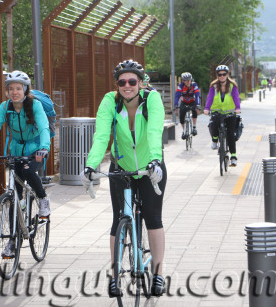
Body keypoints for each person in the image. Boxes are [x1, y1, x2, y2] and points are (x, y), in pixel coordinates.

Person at [80, 60, 167, 297]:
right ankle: (115, 273)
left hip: (151, 168)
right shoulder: (110, 101)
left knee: (152, 219)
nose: (127, 86)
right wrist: (90, 165)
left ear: (140, 82)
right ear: (116, 84)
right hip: (122, 167)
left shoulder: (152, 100)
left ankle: (158, 273)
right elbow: (101, 136)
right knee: (119, 218)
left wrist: (156, 160)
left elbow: (154, 131)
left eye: (132, 81)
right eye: (122, 82)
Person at [0, 70, 51, 258]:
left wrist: (44, 147)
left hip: (36, 151)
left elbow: (44, 127)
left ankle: (42, 199)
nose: (14, 92)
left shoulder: (35, 106)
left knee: (27, 171)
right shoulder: (5, 107)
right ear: (7, 91)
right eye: (11, 89)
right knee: (13, 197)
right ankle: (12, 241)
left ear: (25, 90)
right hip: (16, 151)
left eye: (18, 88)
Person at [204, 65, 241, 166]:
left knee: (230, 134)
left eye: (224, 74)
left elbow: (236, 97)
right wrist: (207, 109)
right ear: (217, 75)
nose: (222, 76)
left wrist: (237, 108)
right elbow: (210, 98)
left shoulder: (233, 85)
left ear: (227, 74)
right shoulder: (214, 86)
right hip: (218, 111)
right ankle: (215, 139)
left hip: (230, 112)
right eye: (220, 75)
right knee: (214, 122)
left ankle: (233, 156)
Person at [174, 72, 201, 139]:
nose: (188, 81)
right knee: (181, 116)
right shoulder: (181, 86)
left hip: (192, 101)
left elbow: (197, 95)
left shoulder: (194, 85)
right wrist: (175, 106)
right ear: (183, 81)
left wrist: (198, 105)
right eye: (186, 80)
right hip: (184, 102)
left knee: (195, 111)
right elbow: (177, 96)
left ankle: (194, 127)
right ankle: (184, 131)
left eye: (189, 80)